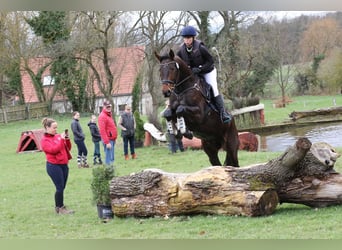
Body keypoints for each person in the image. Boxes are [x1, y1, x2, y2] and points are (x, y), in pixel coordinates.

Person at [177, 25, 232, 124]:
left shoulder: (201, 48)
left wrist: (200, 69)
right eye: (185, 38)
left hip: (208, 71)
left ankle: (223, 113)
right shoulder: (181, 50)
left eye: (189, 38)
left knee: (214, 89)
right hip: (193, 74)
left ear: (193, 38)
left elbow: (211, 61)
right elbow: (177, 62)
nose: (187, 40)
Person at [40, 117, 74, 215]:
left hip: (64, 164)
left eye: (56, 127)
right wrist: (61, 140)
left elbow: (68, 148)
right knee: (59, 187)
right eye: (54, 128)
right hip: (53, 166)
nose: (56, 130)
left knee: (62, 187)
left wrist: (66, 140)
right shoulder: (44, 140)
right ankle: (60, 208)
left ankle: (59, 207)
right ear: (47, 127)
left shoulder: (58, 136)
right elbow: (53, 150)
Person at [98, 100, 118, 167]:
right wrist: (107, 142)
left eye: (110, 106)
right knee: (109, 158)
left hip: (112, 139)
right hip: (108, 140)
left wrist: (114, 138)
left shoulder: (109, 115)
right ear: (104, 107)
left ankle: (111, 171)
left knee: (112, 157)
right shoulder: (102, 116)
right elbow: (102, 130)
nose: (109, 108)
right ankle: (108, 171)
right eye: (107, 107)